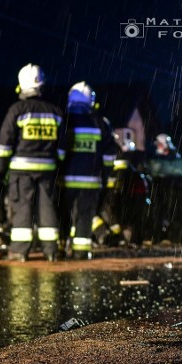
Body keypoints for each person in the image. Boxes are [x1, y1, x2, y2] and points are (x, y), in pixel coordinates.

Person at [0, 64, 63, 262]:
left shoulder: (17, 110)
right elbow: (62, 146)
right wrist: (56, 162)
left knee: (22, 207)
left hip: (21, 170)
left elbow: (4, 143)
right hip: (47, 169)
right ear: (42, 85)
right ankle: (51, 250)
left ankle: (19, 251)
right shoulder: (55, 112)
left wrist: (1, 169)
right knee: (47, 207)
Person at [58, 81, 117, 259]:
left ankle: (60, 247)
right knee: (85, 215)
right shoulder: (100, 123)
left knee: (63, 213)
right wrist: (105, 176)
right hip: (90, 180)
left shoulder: (63, 120)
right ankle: (81, 251)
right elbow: (109, 155)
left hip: (65, 180)